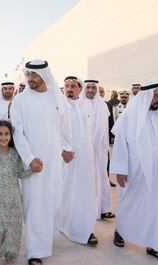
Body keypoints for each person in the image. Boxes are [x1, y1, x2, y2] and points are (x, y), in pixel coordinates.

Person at [10, 59, 72, 265]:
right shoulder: (20, 101)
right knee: (34, 205)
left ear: (44, 75)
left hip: (54, 161)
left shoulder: (56, 97)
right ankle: (34, 251)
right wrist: (29, 159)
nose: (30, 79)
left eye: (34, 75)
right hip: (33, 163)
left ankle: (45, 241)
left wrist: (67, 148)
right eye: (28, 75)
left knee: (52, 201)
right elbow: (18, 134)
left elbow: (61, 127)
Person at [110, 82, 158, 263]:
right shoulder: (129, 118)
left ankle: (156, 244)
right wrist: (120, 171)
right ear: (145, 97)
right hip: (135, 171)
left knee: (156, 208)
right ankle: (121, 229)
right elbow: (120, 145)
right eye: (155, 95)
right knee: (130, 204)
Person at [0, 120, 33, 265]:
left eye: (6, 134)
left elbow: (19, 173)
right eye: (0, 134)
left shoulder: (15, 154)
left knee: (13, 228)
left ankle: (11, 254)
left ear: (11, 136)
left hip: (14, 199)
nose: (3, 137)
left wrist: (32, 171)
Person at [59, 76, 99, 246]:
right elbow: (53, 130)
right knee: (68, 193)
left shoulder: (86, 105)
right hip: (68, 157)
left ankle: (84, 229)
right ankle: (67, 225)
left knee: (85, 193)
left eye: (73, 86)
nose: (69, 88)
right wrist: (63, 149)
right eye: (67, 85)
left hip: (86, 159)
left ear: (80, 89)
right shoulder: (59, 105)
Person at [82, 79, 115, 220]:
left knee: (102, 178)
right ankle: (89, 209)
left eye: (92, 87)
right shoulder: (80, 103)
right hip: (86, 150)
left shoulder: (103, 105)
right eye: (88, 87)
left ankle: (104, 208)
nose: (90, 90)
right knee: (88, 180)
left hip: (101, 150)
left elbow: (105, 127)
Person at [99, 86, 116, 187]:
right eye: (99, 91)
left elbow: (111, 121)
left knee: (106, 159)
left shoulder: (108, 104)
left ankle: (106, 179)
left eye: (102, 92)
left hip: (104, 138)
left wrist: (111, 135)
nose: (101, 93)